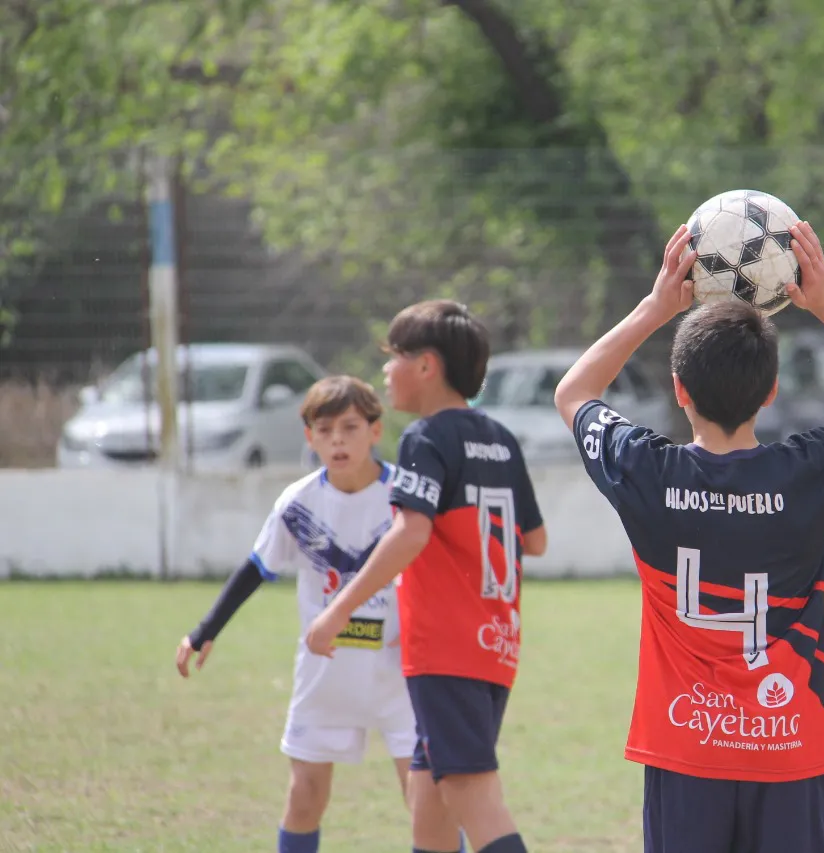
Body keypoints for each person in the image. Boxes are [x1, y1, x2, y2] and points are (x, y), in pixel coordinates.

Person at [553, 221, 824, 853]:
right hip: (790, 746)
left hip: (684, 747)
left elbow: (575, 392)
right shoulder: (806, 473)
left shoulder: (647, 471)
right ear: (771, 392)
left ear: (679, 389)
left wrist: (654, 306)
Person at [304, 300, 547, 853]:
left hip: (446, 649)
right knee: (430, 813)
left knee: (472, 795)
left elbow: (411, 533)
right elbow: (535, 540)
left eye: (394, 357)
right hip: (496, 644)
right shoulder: (502, 440)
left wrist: (338, 609)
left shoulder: (425, 438)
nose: (385, 370)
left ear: (427, 365)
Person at [175, 375, 422, 853]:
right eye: (324, 429)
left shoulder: (407, 498)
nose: (337, 440)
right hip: (325, 670)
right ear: (309, 437)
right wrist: (205, 631)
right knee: (305, 797)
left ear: (375, 430)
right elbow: (256, 567)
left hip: (401, 670)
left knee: (426, 800)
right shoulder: (298, 503)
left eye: (349, 427)